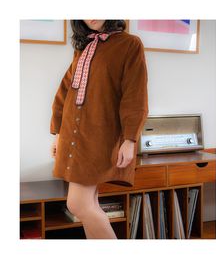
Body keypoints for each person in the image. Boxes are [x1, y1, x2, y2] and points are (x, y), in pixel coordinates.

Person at [50, 20, 149, 239]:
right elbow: (64, 92)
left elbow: (135, 95)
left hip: (101, 136)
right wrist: (58, 134)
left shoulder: (130, 44)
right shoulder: (83, 47)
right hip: (73, 134)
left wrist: (130, 139)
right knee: (88, 204)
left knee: (78, 205)